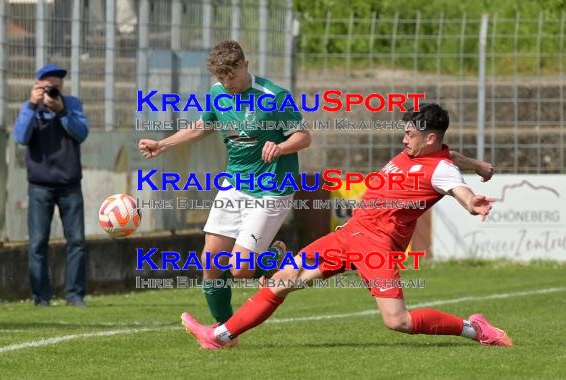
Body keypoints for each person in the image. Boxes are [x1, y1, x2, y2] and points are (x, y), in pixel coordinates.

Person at [181, 103, 512, 349]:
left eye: (409, 134)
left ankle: (474, 328)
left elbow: (456, 184)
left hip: (378, 248)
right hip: (349, 234)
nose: (403, 139)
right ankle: (219, 335)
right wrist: (478, 163)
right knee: (283, 280)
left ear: (428, 138)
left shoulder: (441, 170)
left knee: (398, 321)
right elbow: (449, 153)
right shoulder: (423, 152)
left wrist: (471, 202)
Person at [139, 40, 311, 327]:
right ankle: (224, 333)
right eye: (221, 78)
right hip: (234, 185)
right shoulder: (217, 93)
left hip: (271, 189)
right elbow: (203, 126)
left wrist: (281, 148)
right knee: (211, 265)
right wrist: (163, 144)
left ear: (245, 65)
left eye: (231, 75)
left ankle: (275, 257)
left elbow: (303, 136)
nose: (227, 83)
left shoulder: (274, 96)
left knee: (240, 270)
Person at [14, 64, 89, 307]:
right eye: (48, 87)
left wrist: (62, 111)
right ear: (37, 87)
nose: (53, 91)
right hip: (39, 186)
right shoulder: (30, 108)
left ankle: (75, 295)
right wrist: (32, 105)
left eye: (57, 87)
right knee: (37, 243)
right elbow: (20, 137)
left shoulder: (72, 104)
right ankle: (40, 298)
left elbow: (81, 133)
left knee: (76, 241)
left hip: (70, 184)